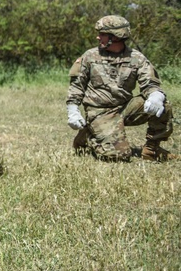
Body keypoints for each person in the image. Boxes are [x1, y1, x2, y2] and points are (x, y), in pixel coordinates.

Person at [66, 15, 175, 162]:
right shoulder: (90, 56)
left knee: (164, 105)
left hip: (125, 107)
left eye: (102, 34)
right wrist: (73, 110)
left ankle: (152, 149)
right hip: (100, 112)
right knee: (117, 156)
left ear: (116, 36)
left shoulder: (137, 58)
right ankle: (88, 135)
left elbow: (150, 84)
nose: (98, 38)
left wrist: (156, 96)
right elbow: (77, 86)